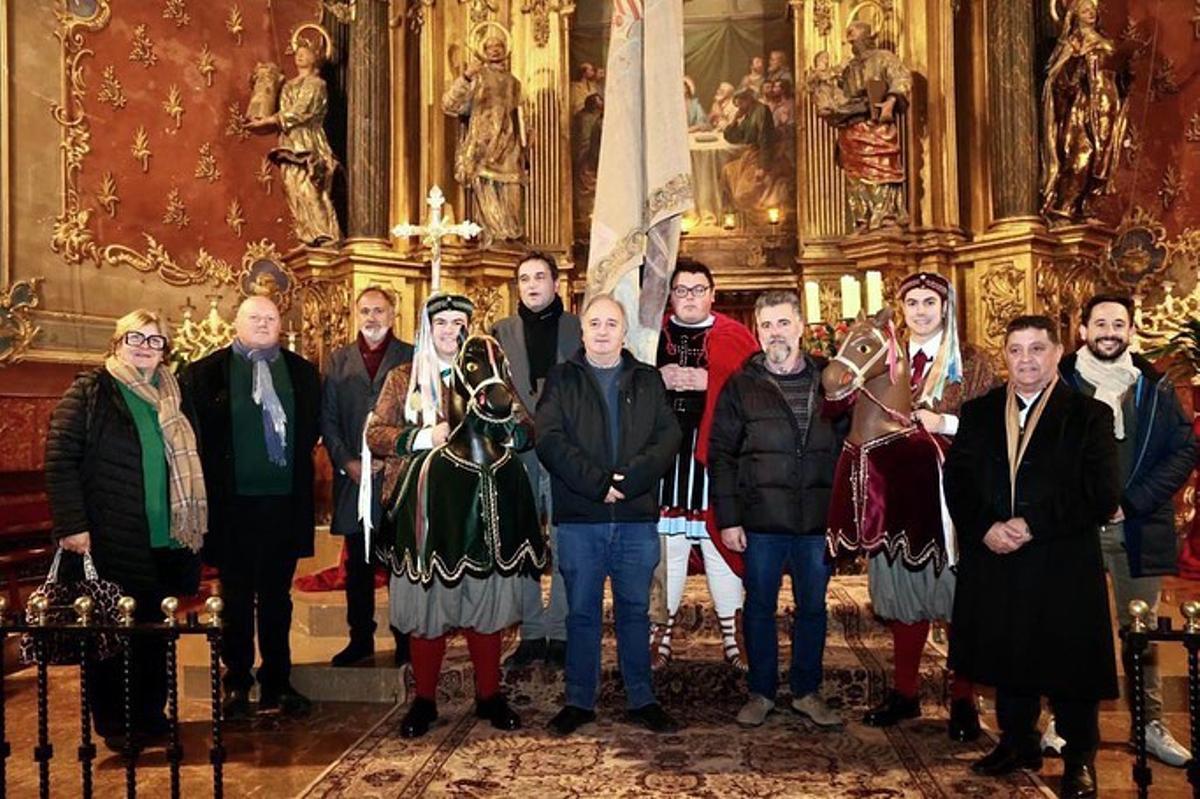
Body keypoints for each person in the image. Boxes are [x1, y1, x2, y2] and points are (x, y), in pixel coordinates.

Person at [945, 315, 1120, 799]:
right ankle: (1017, 742)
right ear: (1005, 355)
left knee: (1070, 663)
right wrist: (984, 527)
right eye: (1016, 350)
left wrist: (1032, 524)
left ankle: (1080, 757)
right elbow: (957, 481)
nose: (1026, 359)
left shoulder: (1089, 415)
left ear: (1057, 352)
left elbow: (1100, 492)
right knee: (1007, 653)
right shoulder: (978, 412)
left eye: (1037, 349)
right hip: (995, 554)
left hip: (1060, 558)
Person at [367, 293, 543, 739]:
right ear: (428, 328)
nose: (450, 331)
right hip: (424, 516)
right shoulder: (404, 377)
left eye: (458, 323)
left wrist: (507, 426)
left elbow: (524, 429)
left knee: (484, 603)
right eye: (441, 322)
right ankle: (423, 700)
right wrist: (423, 436)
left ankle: (489, 695)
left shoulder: (489, 373)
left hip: (481, 516)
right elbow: (376, 434)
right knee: (428, 608)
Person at [45, 310, 206, 750]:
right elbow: (60, 459)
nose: (143, 347)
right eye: (135, 337)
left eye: (154, 341)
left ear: (165, 352)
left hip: (167, 538)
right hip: (111, 535)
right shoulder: (92, 390)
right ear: (116, 342)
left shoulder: (175, 393)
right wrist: (72, 525)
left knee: (155, 634)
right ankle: (117, 727)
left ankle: (152, 718)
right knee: (112, 638)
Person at [1051, 293, 1197, 766]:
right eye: (1100, 323)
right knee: (1072, 629)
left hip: (1138, 526)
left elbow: (1183, 451)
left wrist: (1131, 502)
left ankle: (1148, 725)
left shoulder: (1155, 386)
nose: (1109, 331)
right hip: (1076, 529)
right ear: (1083, 331)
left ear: (1131, 331)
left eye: (1118, 323)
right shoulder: (1060, 382)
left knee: (1143, 632)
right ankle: (1064, 721)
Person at [536, 294, 682, 737]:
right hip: (582, 516)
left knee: (635, 611)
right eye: (594, 323)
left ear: (624, 332)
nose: (602, 331)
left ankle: (643, 698)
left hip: (636, 517)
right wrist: (600, 483)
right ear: (582, 333)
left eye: (611, 323)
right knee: (580, 613)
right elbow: (549, 439)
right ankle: (579, 701)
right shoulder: (562, 379)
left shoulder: (647, 378)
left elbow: (668, 436)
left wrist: (629, 479)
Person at [856, 272, 993, 741]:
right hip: (895, 499)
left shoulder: (972, 363)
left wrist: (945, 422)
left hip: (951, 502)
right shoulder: (886, 360)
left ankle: (962, 700)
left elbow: (994, 428)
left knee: (958, 603)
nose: (919, 310)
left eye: (929, 302)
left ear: (946, 307)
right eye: (911, 302)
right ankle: (905, 693)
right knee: (904, 599)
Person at [708, 290, 845, 729]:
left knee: (812, 609)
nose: (774, 333)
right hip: (761, 520)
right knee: (759, 606)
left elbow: (850, 451)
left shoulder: (831, 383)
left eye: (783, 323)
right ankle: (761, 692)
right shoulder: (741, 385)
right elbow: (721, 454)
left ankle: (807, 691)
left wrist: (845, 518)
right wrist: (729, 519)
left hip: (816, 521)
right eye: (765, 325)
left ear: (801, 326)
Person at [181, 296, 321, 720]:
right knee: (237, 598)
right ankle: (237, 683)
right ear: (235, 323)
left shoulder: (302, 372)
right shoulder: (204, 373)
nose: (263, 324)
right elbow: (195, 440)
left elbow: (311, 431)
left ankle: (279, 681)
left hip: (284, 504)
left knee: (278, 599)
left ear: (281, 324)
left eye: (270, 318)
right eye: (254, 318)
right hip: (232, 508)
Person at [651, 259, 758, 671]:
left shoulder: (734, 335)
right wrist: (658, 376)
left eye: (699, 290)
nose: (690, 297)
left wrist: (708, 380)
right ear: (672, 295)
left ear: (713, 294)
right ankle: (660, 631)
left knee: (719, 543)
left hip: (717, 459)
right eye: (682, 290)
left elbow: (751, 389)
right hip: (666, 460)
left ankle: (735, 635)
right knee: (669, 546)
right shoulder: (652, 335)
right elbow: (633, 381)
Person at [492, 252, 582, 669]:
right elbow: (490, 391)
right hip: (519, 454)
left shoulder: (578, 329)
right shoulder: (499, 333)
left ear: (555, 284)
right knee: (523, 542)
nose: (532, 285)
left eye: (540, 277)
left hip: (564, 453)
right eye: (524, 278)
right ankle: (530, 632)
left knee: (566, 544)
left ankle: (561, 633)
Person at [320, 287, 414, 668]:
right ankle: (360, 638)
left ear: (393, 315)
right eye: (365, 311)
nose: (372, 318)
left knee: (401, 565)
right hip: (353, 482)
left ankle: (406, 639)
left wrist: (389, 456)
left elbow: (420, 414)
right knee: (357, 566)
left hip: (398, 479)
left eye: (379, 310)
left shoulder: (410, 356)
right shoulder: (338, 360)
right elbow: (326, 417)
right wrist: (347, 462)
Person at [813, 21, 912, 230]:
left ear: (868, 36)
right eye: (849, 38)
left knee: (883, 167)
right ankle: (863, 217)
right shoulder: (848, 68)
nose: (852, 42)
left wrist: (891, 101)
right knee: (855, 176)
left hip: (875, 123)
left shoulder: (884, 58)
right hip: (852, 127)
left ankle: (885, 214)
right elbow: (833, 92)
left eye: (855, 36)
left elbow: (901, 77)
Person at [1040, 0, 1129, 220]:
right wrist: (1076, 63)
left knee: (1103, 157)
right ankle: (1064, 207)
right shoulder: (1072, 43)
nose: (1091, 13)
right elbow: (1056, 80)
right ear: (1074, 15)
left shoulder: (1105, 42)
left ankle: (1086, 204)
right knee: (1081, 155)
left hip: (1107, 103)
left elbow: (1118, 76)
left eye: (1093, 10)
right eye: (1085, 10)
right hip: (1082, 107)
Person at [251, 34, 341, 246]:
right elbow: (276, 106)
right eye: (297, 52)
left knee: (308, 186)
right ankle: (307, 234)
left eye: (305, 52)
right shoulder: (289, 85)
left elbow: (302, 111)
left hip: (308, 141)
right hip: (289, 141)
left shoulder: (316, 84)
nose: (299, 55)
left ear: (316, 57)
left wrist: (271, 121)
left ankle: (324, 234)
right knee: (292, 187)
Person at [442, 31, 525, 243]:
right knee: (488, 191)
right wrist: (466, 76)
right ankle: (494, 236)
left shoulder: (514, 83)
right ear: (484, 51)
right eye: (490, 47)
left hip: (508, 145)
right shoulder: (477, 77)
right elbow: (449, 105)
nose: (495, 49)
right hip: (483, 146)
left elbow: (518, 113)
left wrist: (526, 133)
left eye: (499, 45)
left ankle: (511, 236)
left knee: (513, 191)